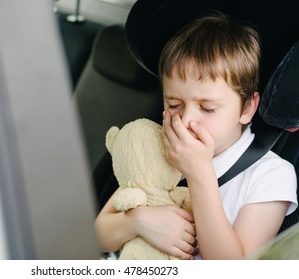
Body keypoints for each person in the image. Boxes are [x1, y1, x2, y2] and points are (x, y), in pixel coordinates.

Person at [94, 13, 298, 260]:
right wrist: (136, 222)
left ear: (246, 108)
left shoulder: (270, 176)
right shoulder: (159, 146)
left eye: (207, 108)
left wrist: (199, 173)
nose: (186, 120)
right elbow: (97, 236)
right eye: (174, 104)